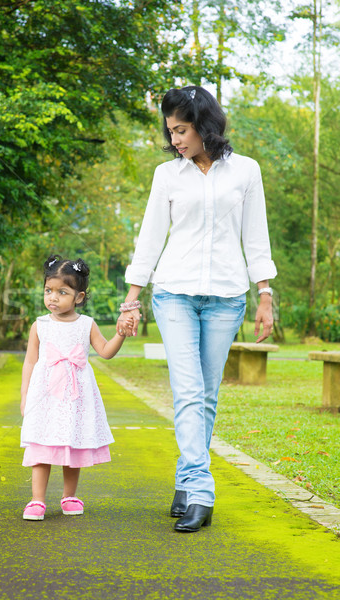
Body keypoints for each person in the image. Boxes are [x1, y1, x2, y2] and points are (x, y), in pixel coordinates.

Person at [117, 86, 277, 533]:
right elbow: (149, 239)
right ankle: (201, 491)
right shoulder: (167, 175)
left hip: (227, 297)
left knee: (205, 397)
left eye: (182, 130)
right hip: (174, 294)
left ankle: (185, 483)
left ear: (205, 125)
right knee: (188, 392)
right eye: (170, 132)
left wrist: (265, 295)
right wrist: (132, 299)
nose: (176, 140)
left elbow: (255, 237)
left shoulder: (246, 172)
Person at [20, 254, 132, 521]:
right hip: (45, 396)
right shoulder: (40, 325)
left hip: (75, 397)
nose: (53, 298)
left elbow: (105, 351)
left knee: (71, 444)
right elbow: (30, 362)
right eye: (49, 291)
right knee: (41, 445)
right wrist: (24, 396)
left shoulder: (86, 324)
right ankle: (37, 500)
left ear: (79, 297)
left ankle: (69, 495)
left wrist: (121, 333)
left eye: (62, 292)